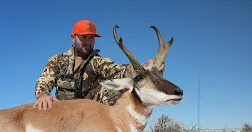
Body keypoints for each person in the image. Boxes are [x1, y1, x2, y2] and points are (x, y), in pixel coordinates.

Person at [33, 20, 164, 110]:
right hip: (63, 109)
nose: (88, 42)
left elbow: (118, 70)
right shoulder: (58, 60)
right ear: (73, 38)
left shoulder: (97, 62)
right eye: (83, 37)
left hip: (91, 110)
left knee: (118, 87)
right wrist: (43, 95)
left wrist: (144, 68)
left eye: (91, 38)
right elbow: (45, 80)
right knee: (42, 107)